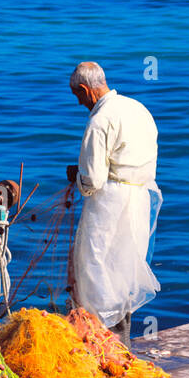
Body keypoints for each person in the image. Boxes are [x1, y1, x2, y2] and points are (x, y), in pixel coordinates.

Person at [65, 62, 162, 339]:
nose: (79, 103)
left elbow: (93, 180)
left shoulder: (100, 120)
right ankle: (123, 343)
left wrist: (77, 177)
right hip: (140, 200)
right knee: (123, 272)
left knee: (95, 272)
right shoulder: (138, 109)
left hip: (108, 205)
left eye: (78, 96)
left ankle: (104, 346)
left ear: (85, 89)